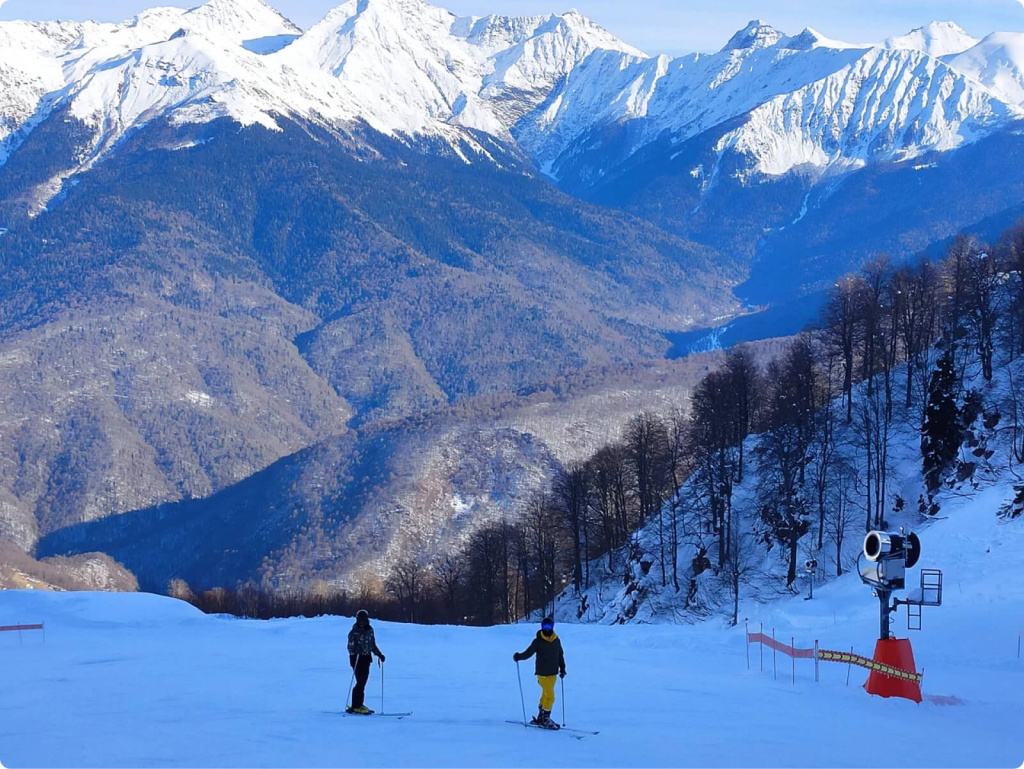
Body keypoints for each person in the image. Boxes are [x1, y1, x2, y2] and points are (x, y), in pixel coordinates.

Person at [513, 616, 566, 729]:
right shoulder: (538, 641)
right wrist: (519, 657)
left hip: (553, 673)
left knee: (545, 695)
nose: (547, 629)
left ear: (552, 627)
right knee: (551, 697)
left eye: (549, 626)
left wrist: (562, 668)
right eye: (545, 626)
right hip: (542, 674)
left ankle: (541, 717)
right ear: (541, 627)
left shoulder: (556, 640)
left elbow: (560, 655)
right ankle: (545, 719)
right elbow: (528, 653)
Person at [346, 609, 385, 714]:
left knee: (363, 683)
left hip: (366, 659)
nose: (362, 623)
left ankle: (359, 704)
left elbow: (372, 645)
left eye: (364, 620)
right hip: (356, 659)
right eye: (360, 620)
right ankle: (355, 706)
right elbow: (350, 647)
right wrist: (355, 651)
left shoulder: (370, 630)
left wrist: (379, 654)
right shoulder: (354, 632)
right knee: (360, 682)